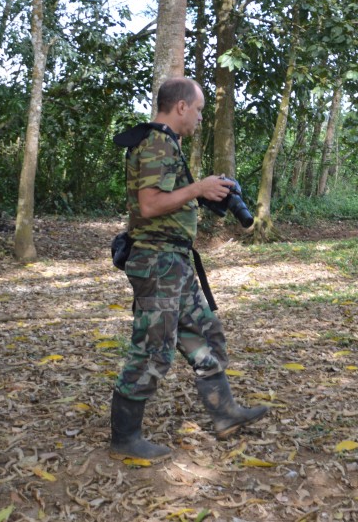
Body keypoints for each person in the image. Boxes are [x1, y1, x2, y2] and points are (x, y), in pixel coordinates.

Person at [109, 77, 268, 460]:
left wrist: (204, 191)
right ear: (180, 106)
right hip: (157, 262)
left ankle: (225, 412)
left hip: (174, 262)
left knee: (204, 331)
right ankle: (125, 438)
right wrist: (198, 189)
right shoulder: (157, 142)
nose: (199, 118)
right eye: (197, 110)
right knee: (152, 350)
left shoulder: (167, 144)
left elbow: (167, 198)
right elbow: (149, 205)